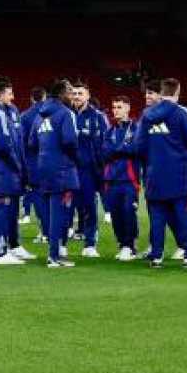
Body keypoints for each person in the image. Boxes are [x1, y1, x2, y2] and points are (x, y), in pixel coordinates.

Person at [136, 78, 187, 268]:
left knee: (157, 217)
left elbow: (139, 146)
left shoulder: (147, 115)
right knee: (184, 216)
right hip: (180, 175)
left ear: (162, 91)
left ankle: (156, 256)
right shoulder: (181, 113)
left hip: (154, 174)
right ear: (177, 91)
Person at [26, 80, 80, 268]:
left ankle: (54, 252)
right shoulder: (65, 113)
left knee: (50, 212)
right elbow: (70, 141)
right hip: (62, 168)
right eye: (70, 92)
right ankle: (54, 256)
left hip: (44, 168)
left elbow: (32, 142)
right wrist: (75, 160)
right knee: (60, 212)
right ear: (62, 94)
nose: (73, 96)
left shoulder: (40, 115)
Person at [0, 79, 31, 266]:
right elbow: (4, 145)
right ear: (0, 95)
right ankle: (1, 253)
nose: (13, 97)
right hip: (3, 172)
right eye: (10, 93)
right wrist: (18, 166)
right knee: (1, 210)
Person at [101, 94, 143, 260]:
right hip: (111, 180)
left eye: (119, 107)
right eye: (114, 107)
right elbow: (104, 152)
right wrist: (123, 148)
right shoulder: (109, 131)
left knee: (128, 212)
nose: (116, 111)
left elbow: (136, 149)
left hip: (129, 179)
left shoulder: (136, 129)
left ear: (127, 108)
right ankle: (121, 244)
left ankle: (130, 246)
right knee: (115, 214)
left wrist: (117, 150)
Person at [69, 84, 107, 258]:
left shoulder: (98, 117)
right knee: (67, 207)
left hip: (88, 171)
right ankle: (62, 243)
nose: (76, 96)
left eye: (80, 93)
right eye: (74, 93)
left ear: (88, 95)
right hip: (69, 170)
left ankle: (90, 243)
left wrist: (100, 168)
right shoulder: (66, 115)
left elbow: (104, 145)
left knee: (89, 207)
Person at [19, 85, 46, 229]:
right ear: (44, 97)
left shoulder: (25, 116)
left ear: (31, 98)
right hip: (50, 160)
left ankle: (44, 231)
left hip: (32, 162)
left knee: (36, 194)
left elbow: (22, 141)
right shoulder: (51, 113)